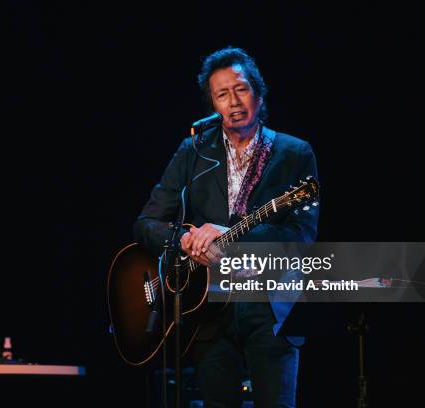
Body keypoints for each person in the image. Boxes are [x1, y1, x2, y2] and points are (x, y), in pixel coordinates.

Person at [133, 47, 319, 407]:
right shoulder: (194, 151)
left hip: (270, 307)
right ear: (212, 105)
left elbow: (301, 236)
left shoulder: (295, 153)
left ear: (259, 94)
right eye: (222, 94)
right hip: (207, 306)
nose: (233, 101)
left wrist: (233, 240)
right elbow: (146, 223)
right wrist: (186, 238)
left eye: (241, 89)